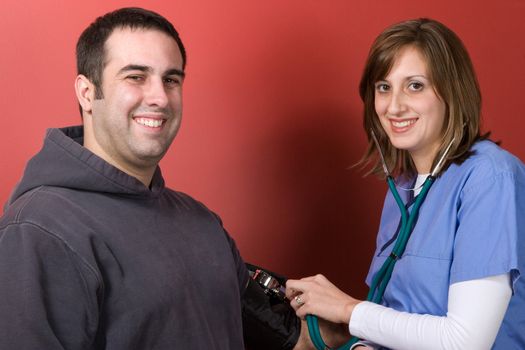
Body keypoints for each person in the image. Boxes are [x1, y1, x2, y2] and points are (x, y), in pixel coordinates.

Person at [0, 7, 312, 349]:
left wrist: (354, 318)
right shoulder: (38, 230)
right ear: (87, 93)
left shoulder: (202, 222)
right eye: (136, 76)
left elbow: (288, 341)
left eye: (171, 79)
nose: (160, 98)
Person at [286, 18, 525, 349]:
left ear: (452, 91)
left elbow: (465, 342)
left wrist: (345, 308)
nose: (394, 106)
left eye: (415, 85)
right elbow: (398, 320)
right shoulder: (403, 187)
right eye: (384, 87)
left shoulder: (490, 177)